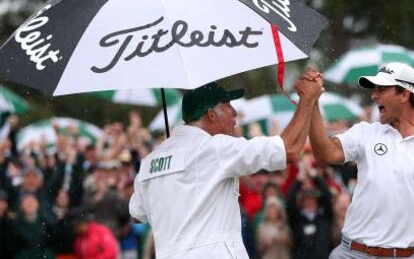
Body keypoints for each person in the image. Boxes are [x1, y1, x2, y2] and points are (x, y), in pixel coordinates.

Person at [129, 72, 323, 259]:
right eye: (228, 104)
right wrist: (307, 99)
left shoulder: (148, 163)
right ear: (211, 115)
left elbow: (138, 214)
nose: (235, 111)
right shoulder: (214, 148)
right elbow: (288, 150)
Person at [307, 62, 414, 258]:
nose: (374, 95)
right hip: (353, 253)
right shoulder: (366, 132)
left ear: (405, 94)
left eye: (382, 89)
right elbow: (325, 153)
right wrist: (312, 102)